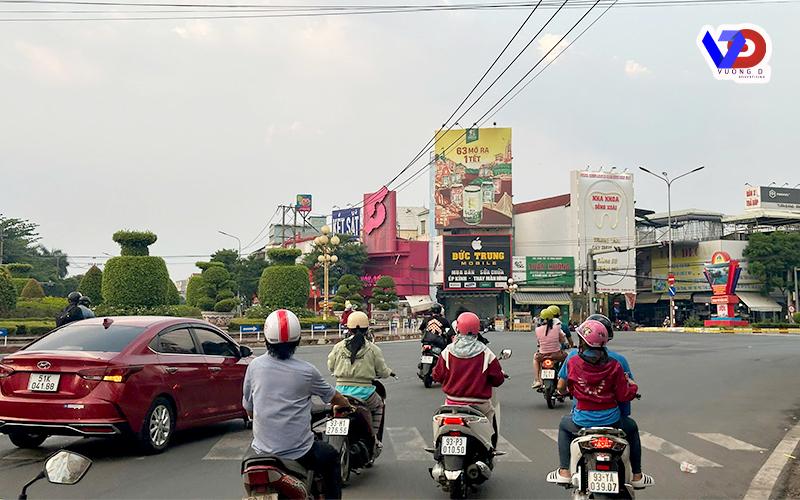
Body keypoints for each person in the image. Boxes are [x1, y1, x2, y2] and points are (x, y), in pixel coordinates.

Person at [242, 309, 351, 500]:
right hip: (299, 452)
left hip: (261, 451)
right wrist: (345, 404)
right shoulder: (307, 372)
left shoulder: (254, 367)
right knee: (332, 457)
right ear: (297, 340)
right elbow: (334, 397)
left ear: (266, 339)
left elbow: (249, 410)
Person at [547, 318, 654, 489]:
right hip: (612, 421)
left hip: (581, 421)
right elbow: (624, 395)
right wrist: (633, 386)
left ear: (583, 341)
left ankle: (564, 471)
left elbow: (569, 387)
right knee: (632, 429)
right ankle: (637, 475)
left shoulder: (573, 361)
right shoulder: (615, 364)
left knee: (563, 425)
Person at [432, 312, 505, 445]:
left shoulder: (448, 351)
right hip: (479, 405)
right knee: (491, 423)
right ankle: (491, 449)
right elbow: (498, 380)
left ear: (458, 329)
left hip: (452, 404)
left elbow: (437, 376)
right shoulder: (485, 352)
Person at [327, 311, 394, 455]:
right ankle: (374, 437)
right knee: (379, 405)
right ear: (367, 329)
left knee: (330, 412)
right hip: (364, 394)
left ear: (348, 328)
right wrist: (388, 372)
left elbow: (331, 366)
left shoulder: (338, 347)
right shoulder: (373, 349)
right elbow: (382, 371)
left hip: (340, 392)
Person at [531, 308, 568, 389]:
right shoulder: (557, 328)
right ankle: (561, 376)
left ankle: (537, 379)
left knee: (535, 358)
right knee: (567, 357)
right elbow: (562, 339)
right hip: (557, 354)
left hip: (542, 355)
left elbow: (539, 342)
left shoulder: (537, 330)